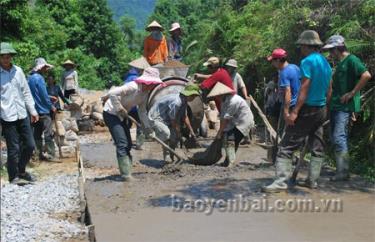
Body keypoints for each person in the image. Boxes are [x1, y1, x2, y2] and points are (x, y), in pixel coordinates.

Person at [263, 30, 332, 192]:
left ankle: (280, 182)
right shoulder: (325, 62)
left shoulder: (307, 61)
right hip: (321, 108)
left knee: (286, 145)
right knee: (317, 145)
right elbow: (329, 88)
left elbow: (305, 87)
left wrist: (295, 112)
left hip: (307, 108)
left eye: (301, 45)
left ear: (308, 46)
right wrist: (324, 106)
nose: (300, 48)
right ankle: (312, 180)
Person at [322, 35, 371, 181]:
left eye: (331, 50)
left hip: (344, 106)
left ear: (338, 48)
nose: (330, 54)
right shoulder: (340, 63)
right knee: (335, 137)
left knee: (339, 137)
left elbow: (366, 75)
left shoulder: (352, 60)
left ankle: (343, 171)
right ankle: (341, 169)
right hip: (336, 105)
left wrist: (352, 93)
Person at [101, 67, 163, 181]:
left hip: (123, 115)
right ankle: (126, 175)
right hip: (111, 113)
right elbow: (112, 93)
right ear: (147, 81)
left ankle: (127, 169)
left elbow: (142, 111)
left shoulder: (145, 93)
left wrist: (148, 128)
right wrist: (119, 108)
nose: (153, 86)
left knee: (128, 144)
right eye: (153, 83)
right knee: (122, 143)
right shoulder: (133, 86)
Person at [0, 42, 39, 185]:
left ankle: (22, 169)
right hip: (7, 116)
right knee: (13, 148)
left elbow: (26, 92)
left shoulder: (18, 71)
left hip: (22, 114)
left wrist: (33, 111)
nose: (6, 59)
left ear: (11, 56)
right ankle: (13, 177)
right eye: (3, 56)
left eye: (8, 56)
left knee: (30, 145)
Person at [148, 83, 200, 161]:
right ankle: (167, 157)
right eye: (193, 96)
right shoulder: (177, 102)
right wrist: (178, 131)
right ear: (189, 94)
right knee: (167, 134)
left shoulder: (184, 101)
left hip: (167, 118)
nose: (194, 98)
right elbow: (173, 119)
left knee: (174, 137)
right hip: (156, 117)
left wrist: (192, 132)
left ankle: (172, 156)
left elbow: (185, 116)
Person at [208, 82, 254, 167]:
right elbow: (222, 117)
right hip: (235, 121)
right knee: (228, 138)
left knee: (232, 140)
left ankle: (230, 162)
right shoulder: (223, 101)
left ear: (222, 94)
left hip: (244, 121)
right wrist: (221, 132)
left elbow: (226, 118)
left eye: (217, 95)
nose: (216, 97)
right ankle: (228, 160)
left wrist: (220, 132)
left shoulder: (234, 100)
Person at [28, 57, 59, 162]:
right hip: (43, 110)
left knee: (36, 133)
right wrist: (51, 106)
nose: (46, 70)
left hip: (34, 111)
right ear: (41, 68)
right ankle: (51, 154)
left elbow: (33, 94)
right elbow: (43, 95)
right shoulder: (40, 78)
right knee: (48, 133)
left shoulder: (30, 78)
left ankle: (37, 154)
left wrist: (48, 97)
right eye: (45, 67)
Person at [267, 48, 301, 131]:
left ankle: (282, 144)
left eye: (273, 61)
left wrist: (286, 112)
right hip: (299, 104)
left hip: (290, 105)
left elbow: (287, 92)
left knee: (284, 131)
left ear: (278, 60)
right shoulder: (295, 67)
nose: (272, 64)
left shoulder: (284, 72)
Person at [123, 56, 150, 150]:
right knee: (140, 125)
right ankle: (139, 144)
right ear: (141, 69)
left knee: (127, 125)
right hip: (134, 107)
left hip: (127, 106)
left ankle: (127, 142)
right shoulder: (137, 79)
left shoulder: (127, 76)